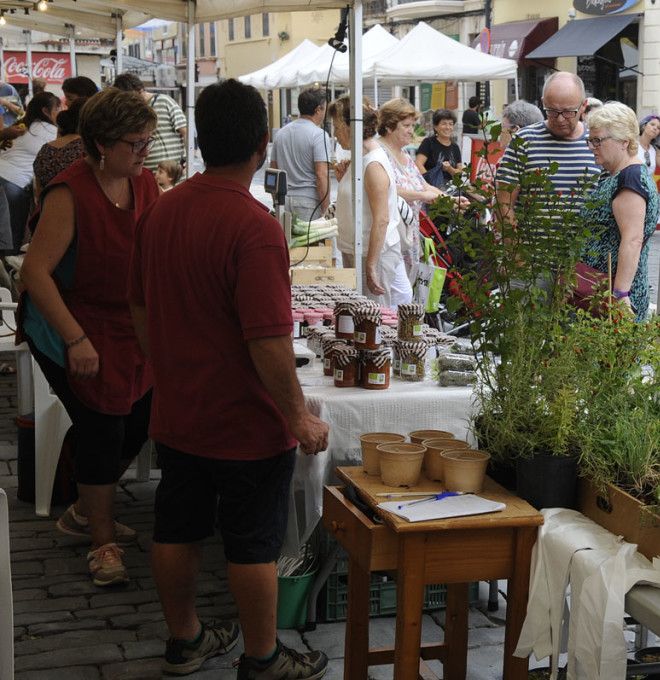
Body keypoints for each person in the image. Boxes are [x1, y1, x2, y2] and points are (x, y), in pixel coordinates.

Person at [128, 79, 330, 679]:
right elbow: (266, 337)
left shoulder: (160, 211)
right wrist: (297, 414)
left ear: (197, 138)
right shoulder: (254, 225)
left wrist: (164, 362)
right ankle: (263, 657)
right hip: (243, 419)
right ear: (262, 147)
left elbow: (137, 305)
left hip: (179, 407)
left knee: (177, 526)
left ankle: (186, 639)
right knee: (252, 543)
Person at [18, 88, 160, 587]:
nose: (145, 152)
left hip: (124, 322)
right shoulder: (69, 191)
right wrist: (76, 340)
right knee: (102, 425)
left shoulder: (143, 185)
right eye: (135, 143)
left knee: (144, 417)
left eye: (148, 140)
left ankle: (83, 508)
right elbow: (35, 273)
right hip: (65, 322)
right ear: (101, 143)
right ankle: (102, 542)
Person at [579, 102, 660, 322]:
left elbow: (632, 239)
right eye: (590, 140)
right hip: (599, 290)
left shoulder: (630, 178)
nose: (591, 146)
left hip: (613, 296)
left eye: (598, 140)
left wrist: (621, 294)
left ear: (624, 141)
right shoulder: (615, 174)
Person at [495, 72, 600, 238]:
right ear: (543, 103)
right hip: (531, 259)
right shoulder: (523, 140)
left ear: (583, 105)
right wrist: (515, 253)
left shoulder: (598, 143)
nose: (559, 119)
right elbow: (504, 202)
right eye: (552, 111)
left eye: (568, 112)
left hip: (583, 260)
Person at [329, 95, 407, 308]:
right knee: (356, 318)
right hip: (355, 250)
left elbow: (381, 219)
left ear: (350, 127)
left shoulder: (372, 165)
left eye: (336, 127)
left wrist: (371, 266)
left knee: (371, 320)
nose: (334, 133)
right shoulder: (358, 159)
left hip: (371, 255)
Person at [377, 97, 445, 275]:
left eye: (412, 126)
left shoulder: (404, 153)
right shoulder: (379, 153)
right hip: (390, 236)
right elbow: (388, 190)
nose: (411, 131)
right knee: (399, 292)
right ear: (389, 126)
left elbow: (421, 185)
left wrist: (450, 200)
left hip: (408, 235)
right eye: (406, 125)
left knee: (407, 290)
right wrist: (422, 197)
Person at [0, 92, 60, 251]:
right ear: (46, 111)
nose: (59, 114)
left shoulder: (19, 125)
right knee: (11, 237)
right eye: (57, 109)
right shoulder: (51, 131)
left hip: (3, 175)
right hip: (14, 184)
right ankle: (8, 270)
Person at [269, 86, 331, 222]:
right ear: (318, 110)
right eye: (324, 109)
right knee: (310, 244)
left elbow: (273, 170)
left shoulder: (281, 134)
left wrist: (276, 200)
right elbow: (322, 174)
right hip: (309, 202)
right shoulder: (319, 135)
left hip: (283, 201)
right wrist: (326, 206)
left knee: (287, 242)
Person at [30, 98, 88, 243]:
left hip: (44, 217)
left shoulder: (47, 149)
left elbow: (39, 189)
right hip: (76, 222)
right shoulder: (86, 149)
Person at [112, 73, 187, 172]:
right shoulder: (129, 111)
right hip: (149, 174)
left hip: (173, 175)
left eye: (136, 97)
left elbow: (185, 131)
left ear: (142, 89)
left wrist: (188, 160)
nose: (134, 102)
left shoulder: (165, 102)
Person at [415, 108, 463, 188]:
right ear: (435, 127)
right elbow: (418, 164)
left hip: (451, 190)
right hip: (431, 189)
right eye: (444, 124)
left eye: (450, 124)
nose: (447, 127)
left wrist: (449, 169)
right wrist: (429, 183)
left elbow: (459, 173)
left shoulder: (455, 147)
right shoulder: (428, 143)